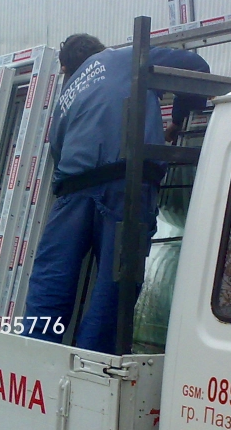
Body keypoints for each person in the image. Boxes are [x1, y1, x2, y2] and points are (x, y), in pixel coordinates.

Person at [23, 34, 210, 352]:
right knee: (115, 285)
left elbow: (57, 147)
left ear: (65, 66)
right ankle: (93, 372)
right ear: (100, 50)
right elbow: (196, 67)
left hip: (71, 191)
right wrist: (179, 121)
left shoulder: (67, 94)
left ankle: (34, 358)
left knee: (52, 277)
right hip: (127, 183)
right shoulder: (127, 57)